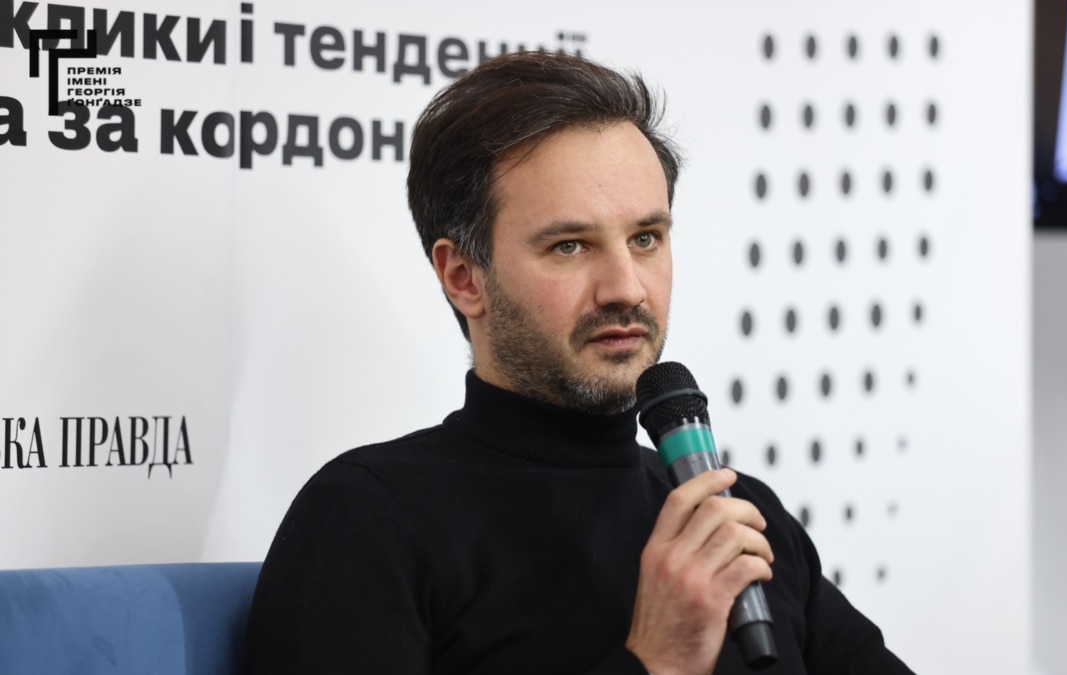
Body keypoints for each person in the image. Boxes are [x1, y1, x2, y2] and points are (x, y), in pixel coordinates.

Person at [244, 51, 913, 675]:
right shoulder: (367, 519)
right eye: (570, 246)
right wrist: (657, 658)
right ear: (463, 276)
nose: (627, 288)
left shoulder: (736, 517)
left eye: (645, 238)